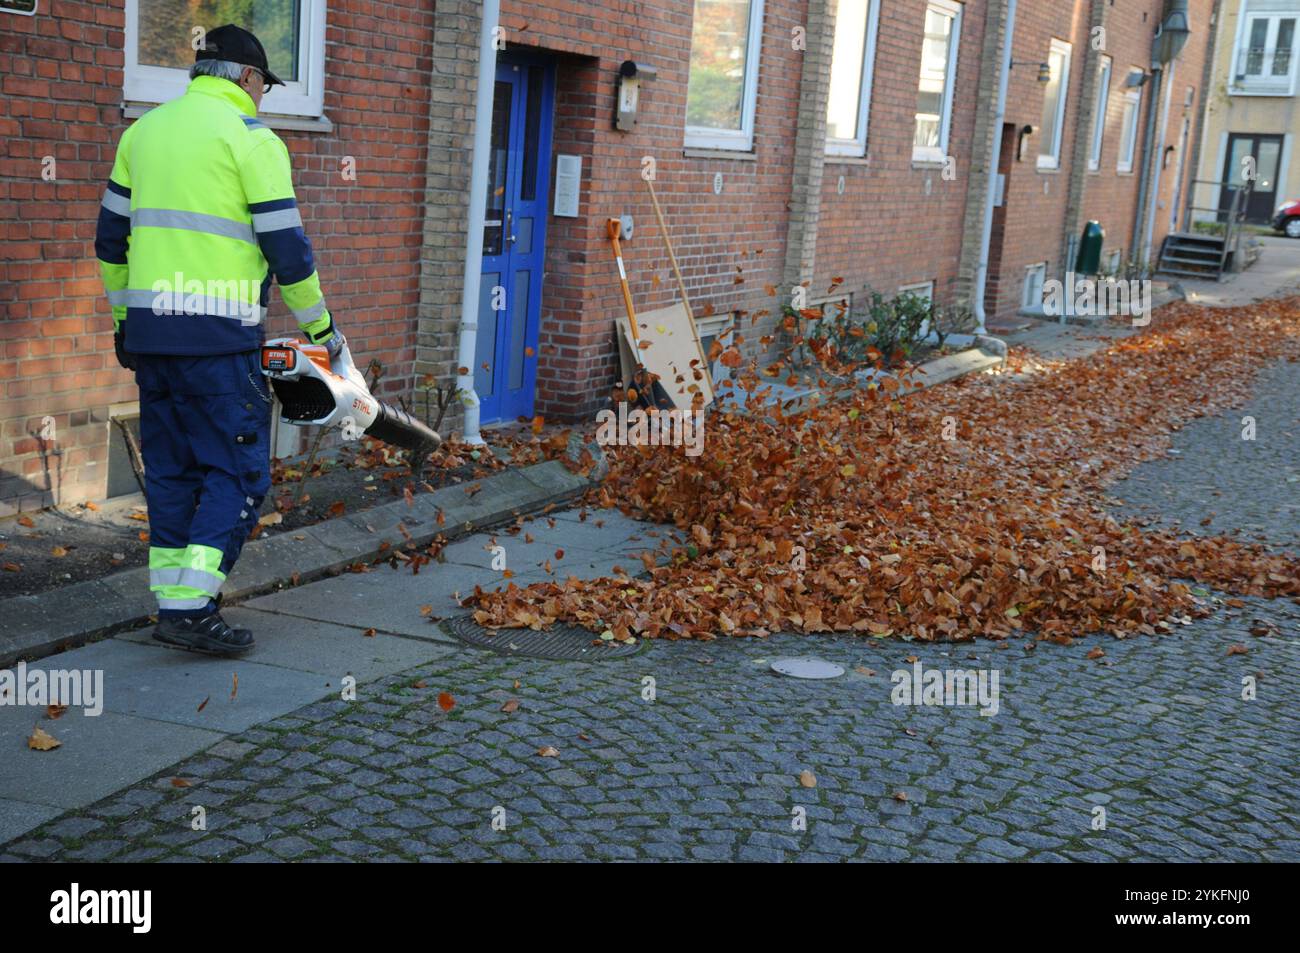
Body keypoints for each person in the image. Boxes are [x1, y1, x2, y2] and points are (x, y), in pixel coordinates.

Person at [95, 25, 344, 655]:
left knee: (175, 472)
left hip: (151, 341)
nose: (264, 97)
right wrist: (322, 330)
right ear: (248, 78)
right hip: (219, 342)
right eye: (265, 85)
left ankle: (174, 607)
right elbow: (287, 250)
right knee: (237, 473)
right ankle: (193, 607)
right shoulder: (252, 140)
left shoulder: (142, 133)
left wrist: (126, 320)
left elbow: (109, 243)